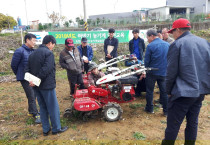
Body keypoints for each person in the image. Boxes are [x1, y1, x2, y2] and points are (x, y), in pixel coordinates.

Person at [162, 18, 210, 145]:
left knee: (173, 125)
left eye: (173, 32)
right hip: (200, 91)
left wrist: (168, 90)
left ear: (178, 30)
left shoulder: (177, 44)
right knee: (192, 122)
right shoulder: (205, 43)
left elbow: (171, 72)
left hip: (182, 92)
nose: (172, 34)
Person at [25, 35, 68, 136]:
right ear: (49, 43)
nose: (53, 46)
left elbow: (26, 69)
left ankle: (45, 129)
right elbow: (46, 69)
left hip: (36, 87)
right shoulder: (48, 53)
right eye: (53, 44)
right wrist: (37, 80)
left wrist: (32, 81)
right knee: (53, 107)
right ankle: (56, 128)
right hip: (47, 86)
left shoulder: (32, 53)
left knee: (42, 108)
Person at [11, 33, 41, 124]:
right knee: (31, 95)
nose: (34, 43)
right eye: (33, 40)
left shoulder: (33, 51)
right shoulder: (19, 51)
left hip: (33, 77)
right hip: (25, 78)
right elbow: (13, 65)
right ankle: (36, 114)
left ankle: (31, 111)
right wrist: (20, 74)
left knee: (34, 94)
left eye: (35, 41)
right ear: (27, 40)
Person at [144, 29, 169, 116]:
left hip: (152, 72)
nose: (147, 39)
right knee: (164, 92)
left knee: (150, 91)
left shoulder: (150, 46)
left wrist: (145, 69)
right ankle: (166, 111)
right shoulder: (167, 45)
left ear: (152, 36)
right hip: (164, 72)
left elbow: (147, 61)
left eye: (147, 37)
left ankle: (150, 108)